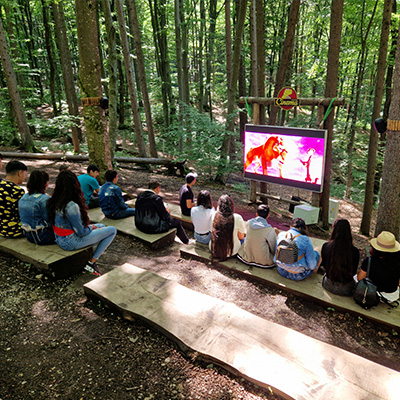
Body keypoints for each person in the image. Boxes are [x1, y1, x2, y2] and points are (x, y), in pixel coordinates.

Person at [48, 170, 117, 275]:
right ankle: (91, 262)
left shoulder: (54, 200)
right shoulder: (71, 205)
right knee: (112, 230)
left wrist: (92, 227)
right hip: (70, 242)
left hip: (59, 238)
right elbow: (81, 232)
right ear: (75, 185)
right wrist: (91, 227)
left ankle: (90, 254)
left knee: (101, 226)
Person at [135, 179, 189, 244]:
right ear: (158, 188)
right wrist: (167, 212)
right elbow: (165, 217)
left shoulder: (140, 196)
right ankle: (186, 241)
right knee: (177, 222)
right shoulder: (156, 199)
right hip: (152, 227)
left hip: (139, 224)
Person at [357, 231, 400, 302]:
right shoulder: (398, 263)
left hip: (369, 293)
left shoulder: (369, 261)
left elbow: (360, 279)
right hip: (391, 296)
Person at [320, 219, 359, 296]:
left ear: (334, 230)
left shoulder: (326, 246)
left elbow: (324, 266)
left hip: (328, 285)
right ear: (349, 232)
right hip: (347, 289)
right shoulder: (355, 251)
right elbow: (354, 272)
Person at [18, 170, 55, 245]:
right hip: (43, 236)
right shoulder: (44, 199)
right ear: (44, 183)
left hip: (28, 235)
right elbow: (49, 218)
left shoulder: (23, 197)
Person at [237, 204, 277, 268]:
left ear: (256, 214)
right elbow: (273, 247)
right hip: (263, 262)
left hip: (246, 257)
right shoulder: (269, 229)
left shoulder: (249, 223)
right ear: (268, 216)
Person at [210, 194, 245, 261]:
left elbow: (211, 231)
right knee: (244, 239)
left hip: (214, 249)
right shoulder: (237, 217)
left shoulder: (214, 215)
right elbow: (241, 237)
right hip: (232, 252)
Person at [0, 160, 27, 238]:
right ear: (20, 173)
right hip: (13, 230)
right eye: (24, 174)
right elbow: (21, 213)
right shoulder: (17, 191)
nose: (25, 177)